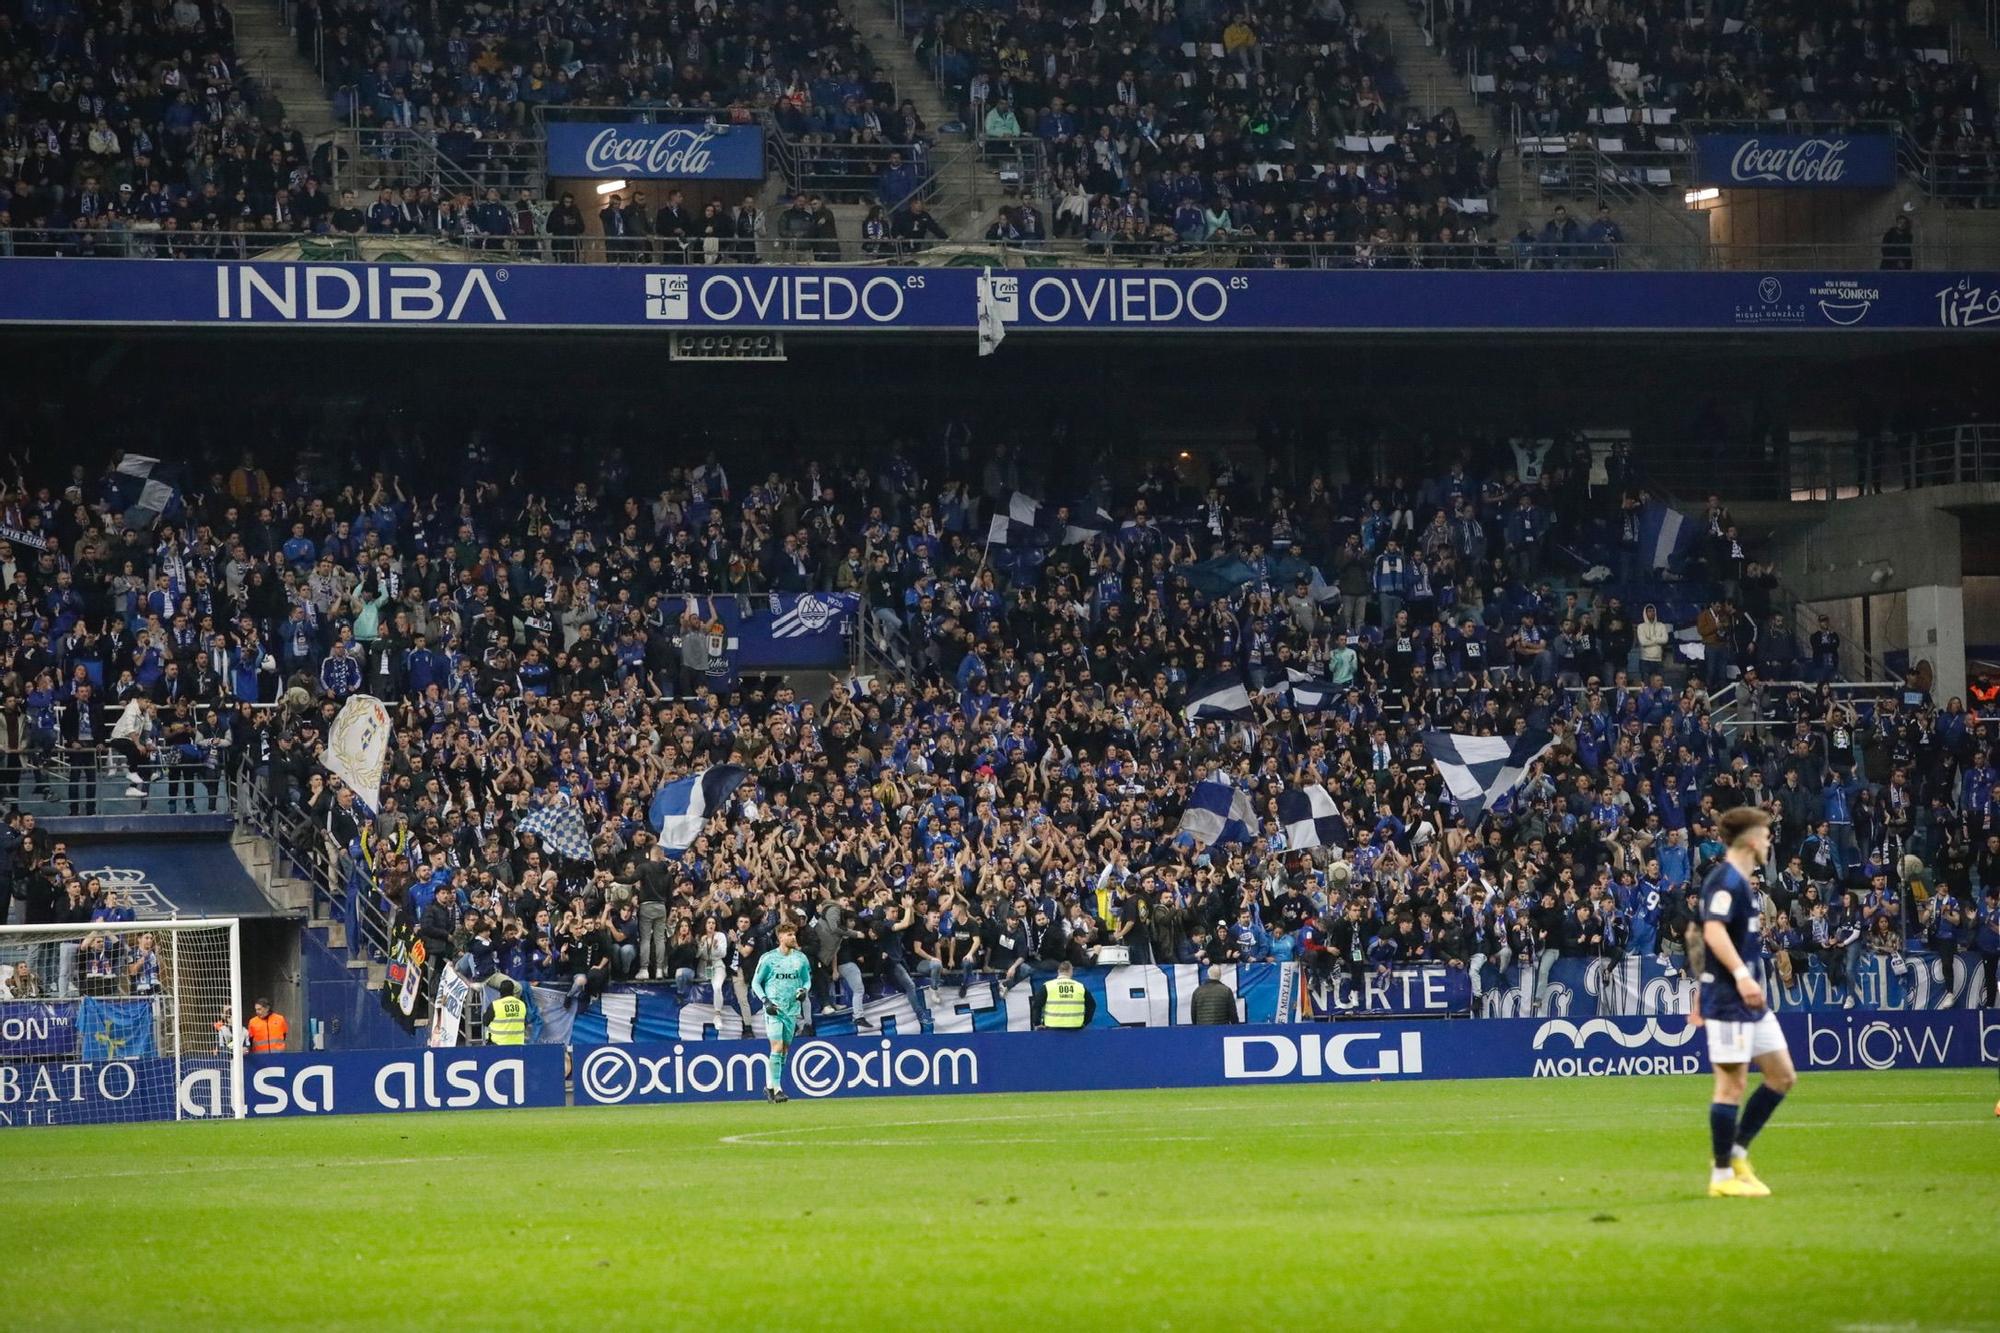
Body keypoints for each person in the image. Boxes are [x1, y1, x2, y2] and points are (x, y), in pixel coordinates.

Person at [1698, 806, 1797, 1198]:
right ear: (1753, 839)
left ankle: (1736, 1152)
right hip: (1728, 1000)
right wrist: (1740, 975)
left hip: (1751, 1003)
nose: (1770, 842)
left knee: (1782, 1076)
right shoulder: (1725, 881)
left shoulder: (1743, 882)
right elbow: (1712, 931)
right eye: (1767, 835)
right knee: (1731, 1086)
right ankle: (1722, 1177)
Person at [750, 922, 812, 1103]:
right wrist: (766, 1001)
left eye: (794, 934)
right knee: (776, 1047)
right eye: (789, 935)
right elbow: (755, 982)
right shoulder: (768, 959)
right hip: (774, 1009)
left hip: (792, 1010)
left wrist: (804, 991)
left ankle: (769, 1086)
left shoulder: (801, 958)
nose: (793, 937)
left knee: (784, 1051)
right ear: (780, 937)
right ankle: (778, 1090)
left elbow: (807, 980)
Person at [1034, 960, 1093, 1029]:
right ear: (1071, 971)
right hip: (1075, 1029)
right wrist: (1085, 1022)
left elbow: (1037, 1005)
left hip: (1052, 1028)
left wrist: (1037, 1023)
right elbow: (1091, 1005)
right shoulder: (1080, 987)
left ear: (1058, 971)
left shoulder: (1048, 986)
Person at [483, 976, 528, 1045]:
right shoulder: (522, 1005)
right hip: (518, 1044)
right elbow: (525, 1023)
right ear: (513, 991)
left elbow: (485, 1022)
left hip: (497, 1045)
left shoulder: (495, 1005)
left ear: (500, 991)